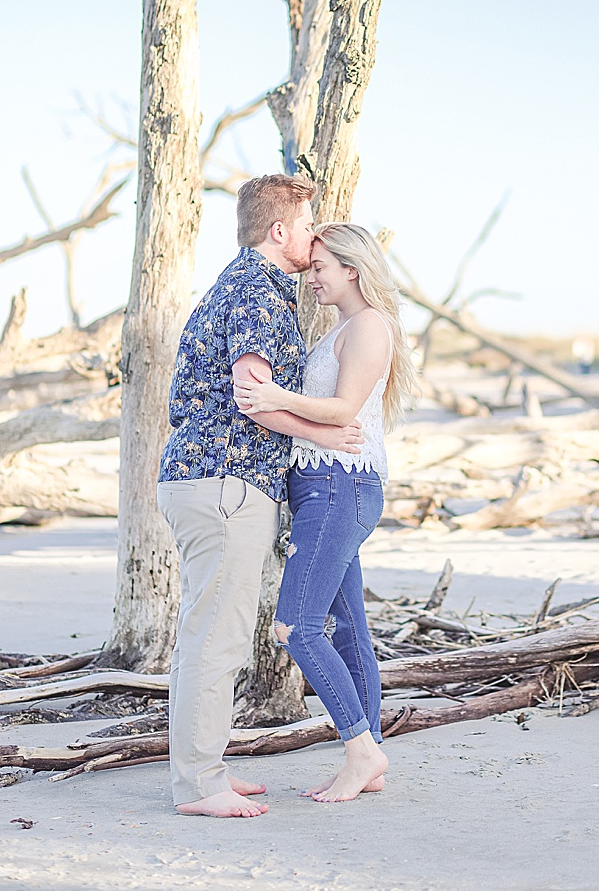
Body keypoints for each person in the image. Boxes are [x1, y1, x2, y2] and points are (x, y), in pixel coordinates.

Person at [157, 175, 364, 819]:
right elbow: (254, 395)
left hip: (214, 478)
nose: (312, 237)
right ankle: (199, 787)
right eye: (306, 227)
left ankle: (206, 768)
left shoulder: (243, 285)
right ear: (280, 231)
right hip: (224, 480)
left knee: (211, 631)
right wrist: (326, 430)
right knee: (216, 636)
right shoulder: (255, 291)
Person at [235, 222, 416, 803]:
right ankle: (369, 758)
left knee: (297, 627)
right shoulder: (344, 327)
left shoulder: (369, 326)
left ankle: (363, 750)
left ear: (352, 269)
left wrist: (276, 399)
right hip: (325, 487)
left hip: (340, 487)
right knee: (349, 629)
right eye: (310, 267)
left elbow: (342, 409)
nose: (310, 277)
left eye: (321, 267)